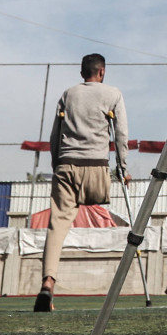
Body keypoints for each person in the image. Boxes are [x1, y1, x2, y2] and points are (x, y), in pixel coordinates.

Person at [36, 53, 131, 313]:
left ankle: (48, 281)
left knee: (57, 226)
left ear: (82, 73)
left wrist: (57, 165)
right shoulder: (113, 93)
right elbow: (121, 133)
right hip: (96, 170)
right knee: (107, 216)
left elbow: (54, 135)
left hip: (66, 165)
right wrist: (123, 168)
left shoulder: (68, 94)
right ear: (102, 72)